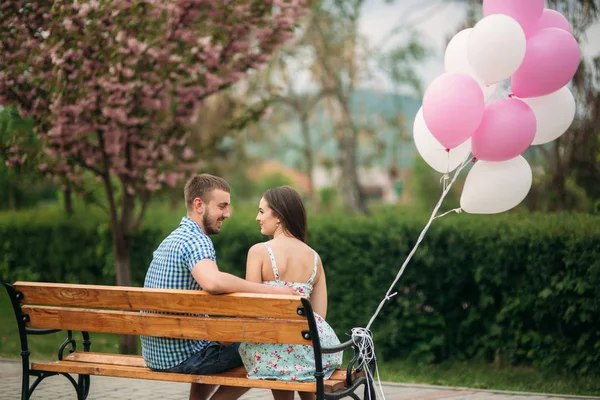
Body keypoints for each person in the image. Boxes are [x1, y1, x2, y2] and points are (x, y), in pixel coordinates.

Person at [140, 174, 296, 400]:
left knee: (226, 342)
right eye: (221, 206)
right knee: (267, 347)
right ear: (198, 205)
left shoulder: (172, 239)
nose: (227, 213)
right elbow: (212, 282)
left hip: (155, 355)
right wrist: (272, 290)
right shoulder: (196, 240)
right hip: (183, 358)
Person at [238, 186, 343, 400]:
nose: (257, 217)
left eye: (261, 211)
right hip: (310, 353)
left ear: (279, 216)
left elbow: (250, 307)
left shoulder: (259, 252)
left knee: (280, 357)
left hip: (271, 351)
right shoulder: (314, 258)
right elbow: (319, 315)